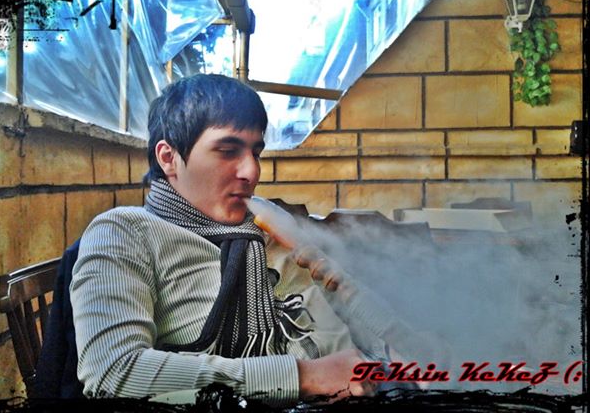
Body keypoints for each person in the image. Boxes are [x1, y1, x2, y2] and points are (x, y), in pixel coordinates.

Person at [70, 74, 391, 405]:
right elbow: (112, 372)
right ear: (168, 157)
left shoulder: (265, 224)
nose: (252, 172)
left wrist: (395, 339)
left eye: (256, 152)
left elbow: (367, 321)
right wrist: (303, 376)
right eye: (227, 151)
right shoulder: (125, 232)